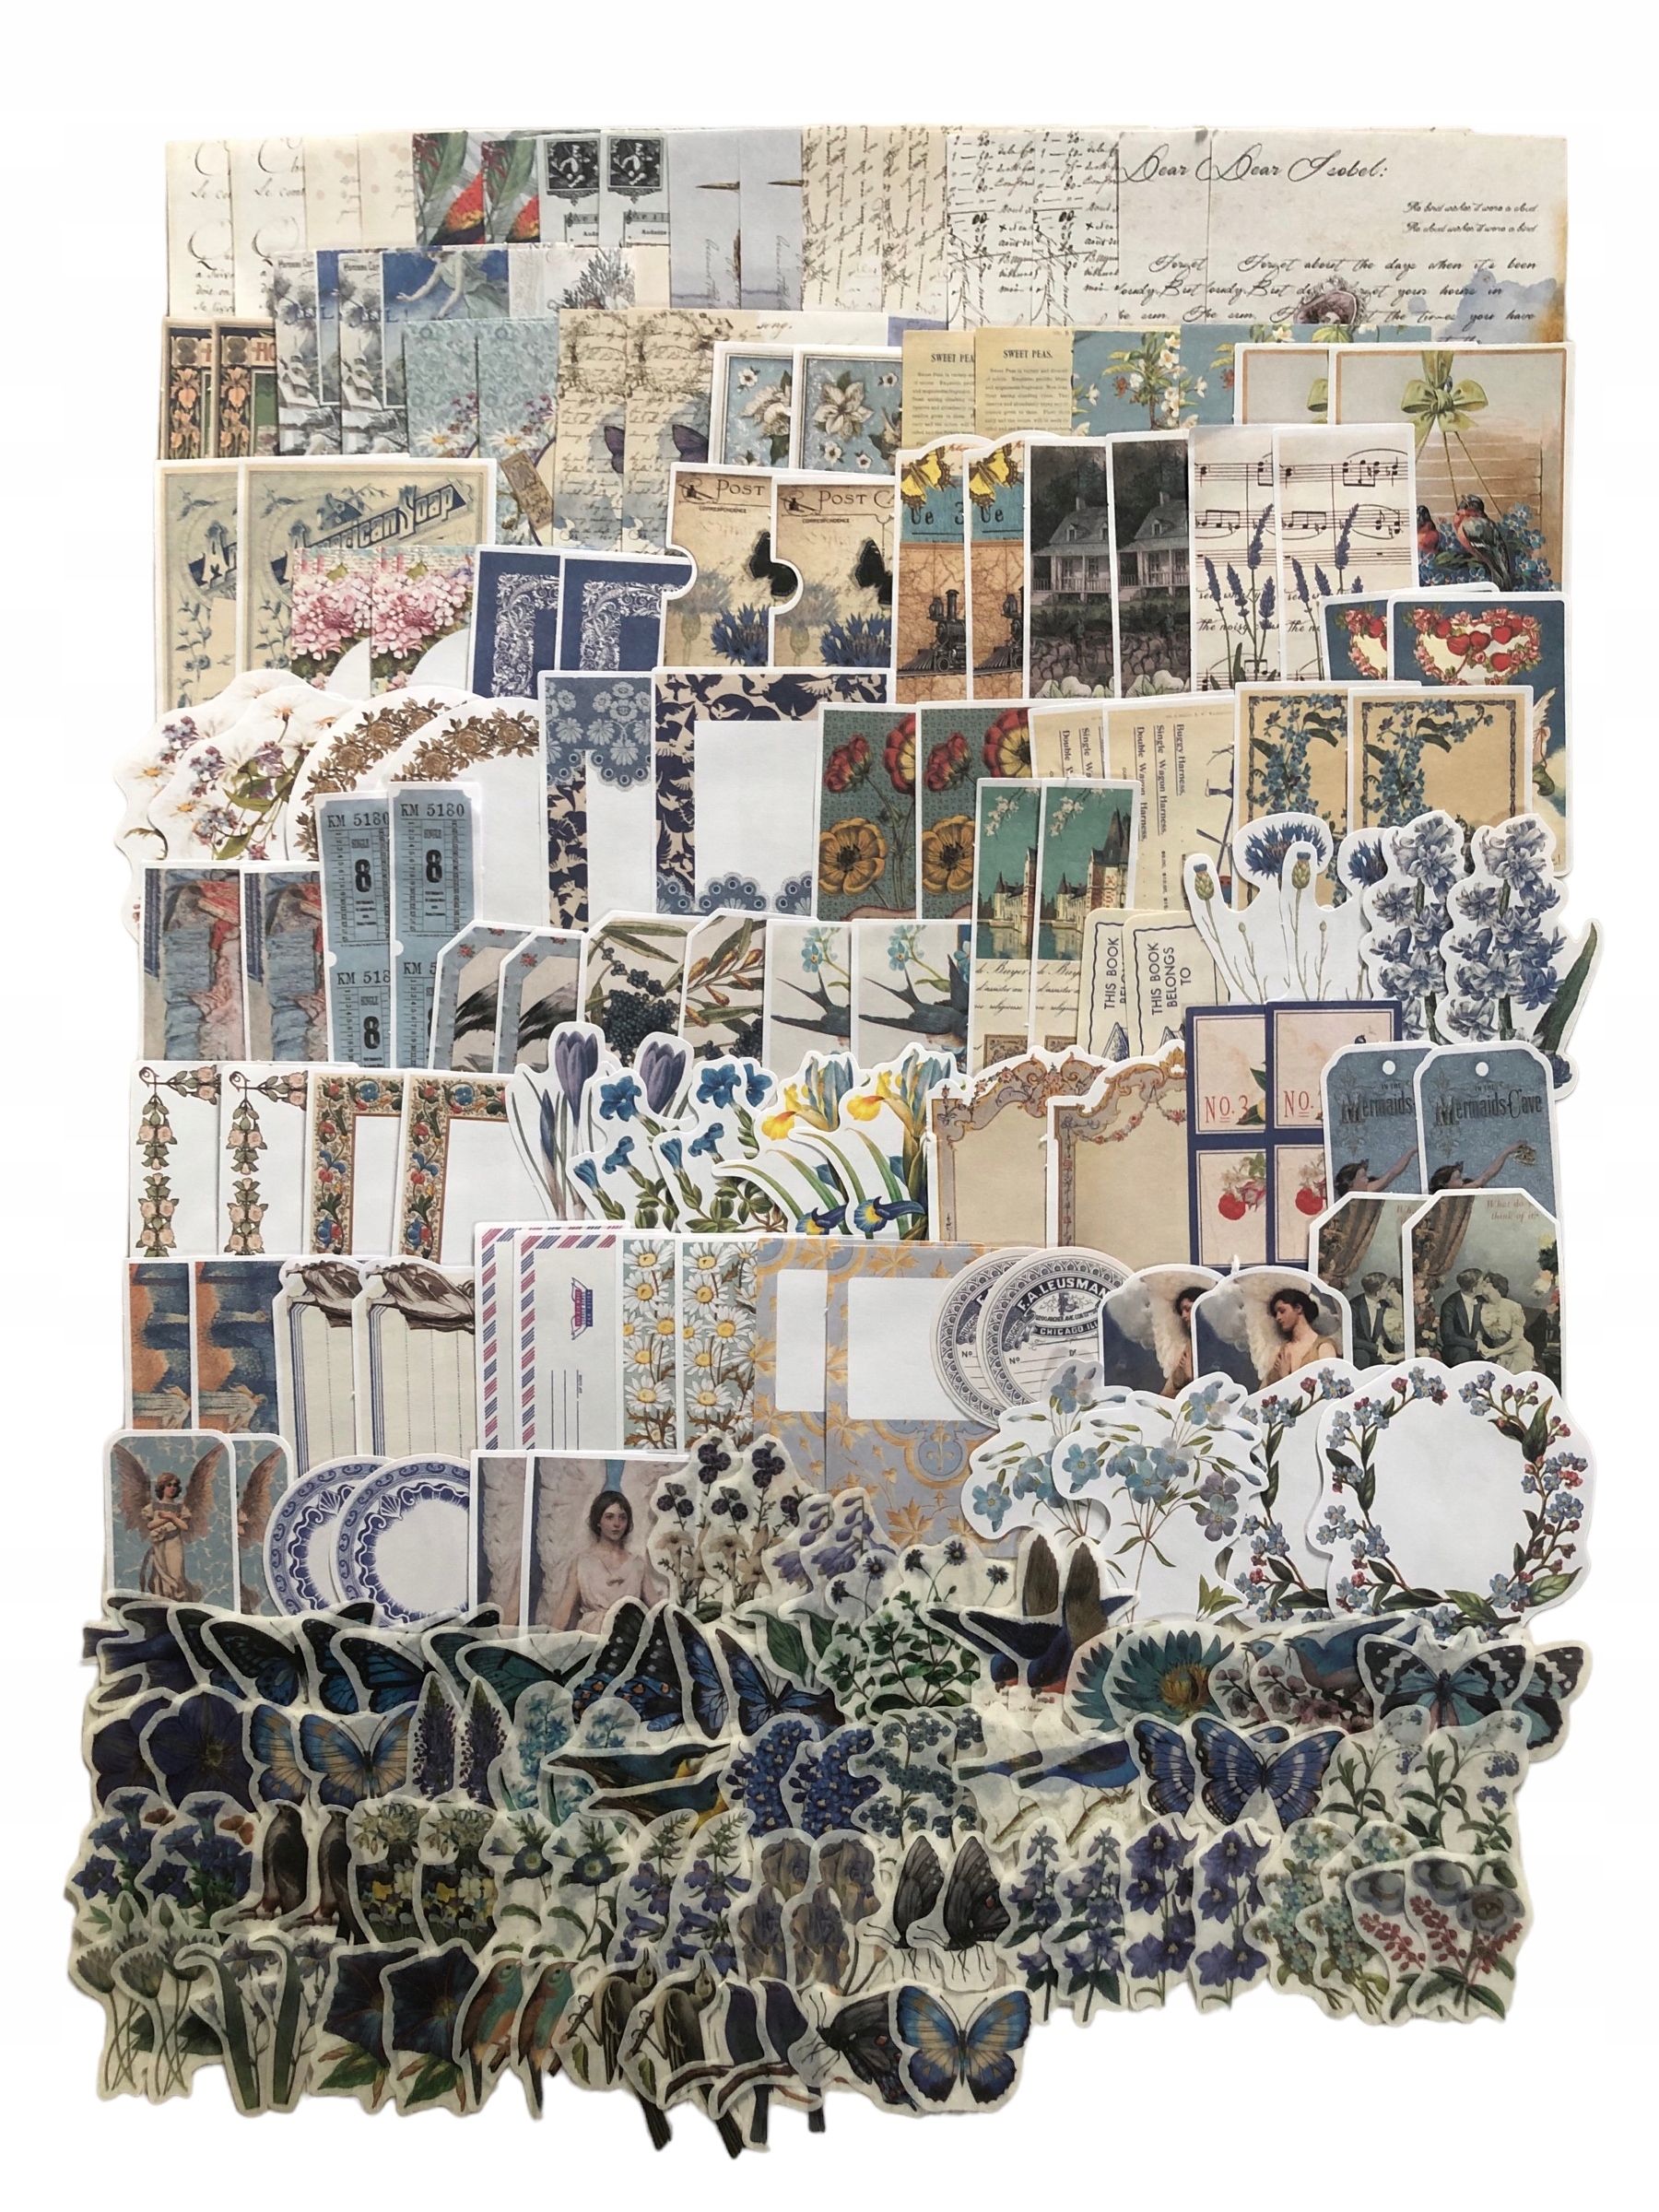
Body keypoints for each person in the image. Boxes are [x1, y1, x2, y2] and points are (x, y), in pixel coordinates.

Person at [549, 1487, 658, 1632]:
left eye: (622, 1517)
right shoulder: (583, 1563)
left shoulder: (637, 1564)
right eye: (609, 1517)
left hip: (627, 1636)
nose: (617, 1524)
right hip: (592, 1636)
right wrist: (548, 1641)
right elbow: (564, 1611)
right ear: (598, 1521)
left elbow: (656, 1607)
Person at [1262, 1288, 1339, 1381]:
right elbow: (1264, 1389)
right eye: (1276, 1314)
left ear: (1298, 1308)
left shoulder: (1323, 1348)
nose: (1278, 1318)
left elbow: (1329, 1387)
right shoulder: (1277, 1353)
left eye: (1282, 1311)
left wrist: (1285, 1376)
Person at [1477, 1272, 1533, 1373]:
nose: (1483, 1283)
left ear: (1497, 1286)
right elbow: (1478, 1336)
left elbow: (1516, 1338)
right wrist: (1483, 1348)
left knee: (1517, 1365)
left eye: (1488, 1281)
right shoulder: (1480, 1308)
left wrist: (1495, 1352)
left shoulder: (1513, 1307)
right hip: (1496, 1351)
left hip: (1517, 1349)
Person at [1428, 1140, 1534, 1193]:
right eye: (1457, 1179)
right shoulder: (1450, 1194)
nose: (1461, 1181)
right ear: (1446, 1184)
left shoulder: (1458, 1191)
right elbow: (1485, 1177)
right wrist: (1507, 1152)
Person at [1159, 1286, 1206, 1397]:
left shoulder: (1216, 1345)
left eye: (1188, 1309)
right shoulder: (1185, 1348)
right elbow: (1168, 1389)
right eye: (1182, 1312)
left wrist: (1191, 1376)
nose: (1183, 1316)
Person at [1438, 1268, 1486, 1365]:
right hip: (1456, 1349)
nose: (1484, 1284)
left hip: (1476, 1348)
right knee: (1462, 1353)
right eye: (1481, 1283)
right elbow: (1448, 1337)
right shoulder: (1450, 1304)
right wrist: (1475, 1344)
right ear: (1474, 1289)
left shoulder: (1481, 1300)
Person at [1348, 1271, 1394, 1369]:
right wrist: (1376, 1348)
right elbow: (1351, 1339)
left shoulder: (1384, 1305)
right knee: (1362, 1357)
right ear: (1378, 1293)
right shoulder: (1354, 1306)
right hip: (1360, 1350)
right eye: (1386, 1287)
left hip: (1377, 1350)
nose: (1389, 1289)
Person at [1333, 1147, 1418, 1198]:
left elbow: (1393, 1173)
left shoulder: (1367, 1190)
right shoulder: (1344, 1203)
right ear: (1350, 1182)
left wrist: (1411, 1152)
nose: (1367, 1180)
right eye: (1363, 1177)